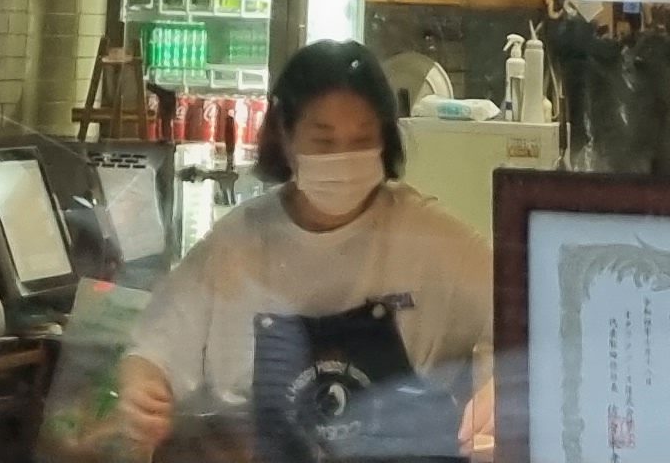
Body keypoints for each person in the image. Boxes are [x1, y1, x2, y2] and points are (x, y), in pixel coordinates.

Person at [119, 39, 491, 459]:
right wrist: (144, 389)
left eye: (362, 139)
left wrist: (496, 391)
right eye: (324, 141)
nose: (343, 157)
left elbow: (524, 316)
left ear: (385, 139)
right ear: (284, 135)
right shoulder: (237, 244)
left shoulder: (430, 241)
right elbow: (156, 350)